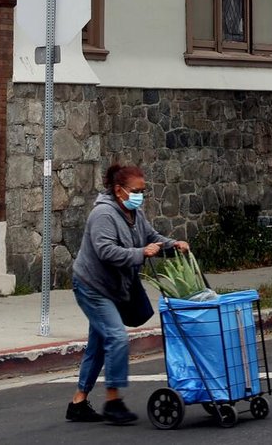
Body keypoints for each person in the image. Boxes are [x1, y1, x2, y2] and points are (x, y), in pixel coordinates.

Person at [66, 161, 189, 425]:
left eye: (143, 191)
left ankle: (78, 403)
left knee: (100, 344)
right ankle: (113, 401)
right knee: (117, 337)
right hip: (92, 286)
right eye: (136, 190)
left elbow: (150, 237)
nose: (140, 196)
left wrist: (172, 245)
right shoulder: (103, 215)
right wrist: (140, 253)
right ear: (119, 190)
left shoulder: (134, 214)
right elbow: (105, 251)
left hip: (112, 288)